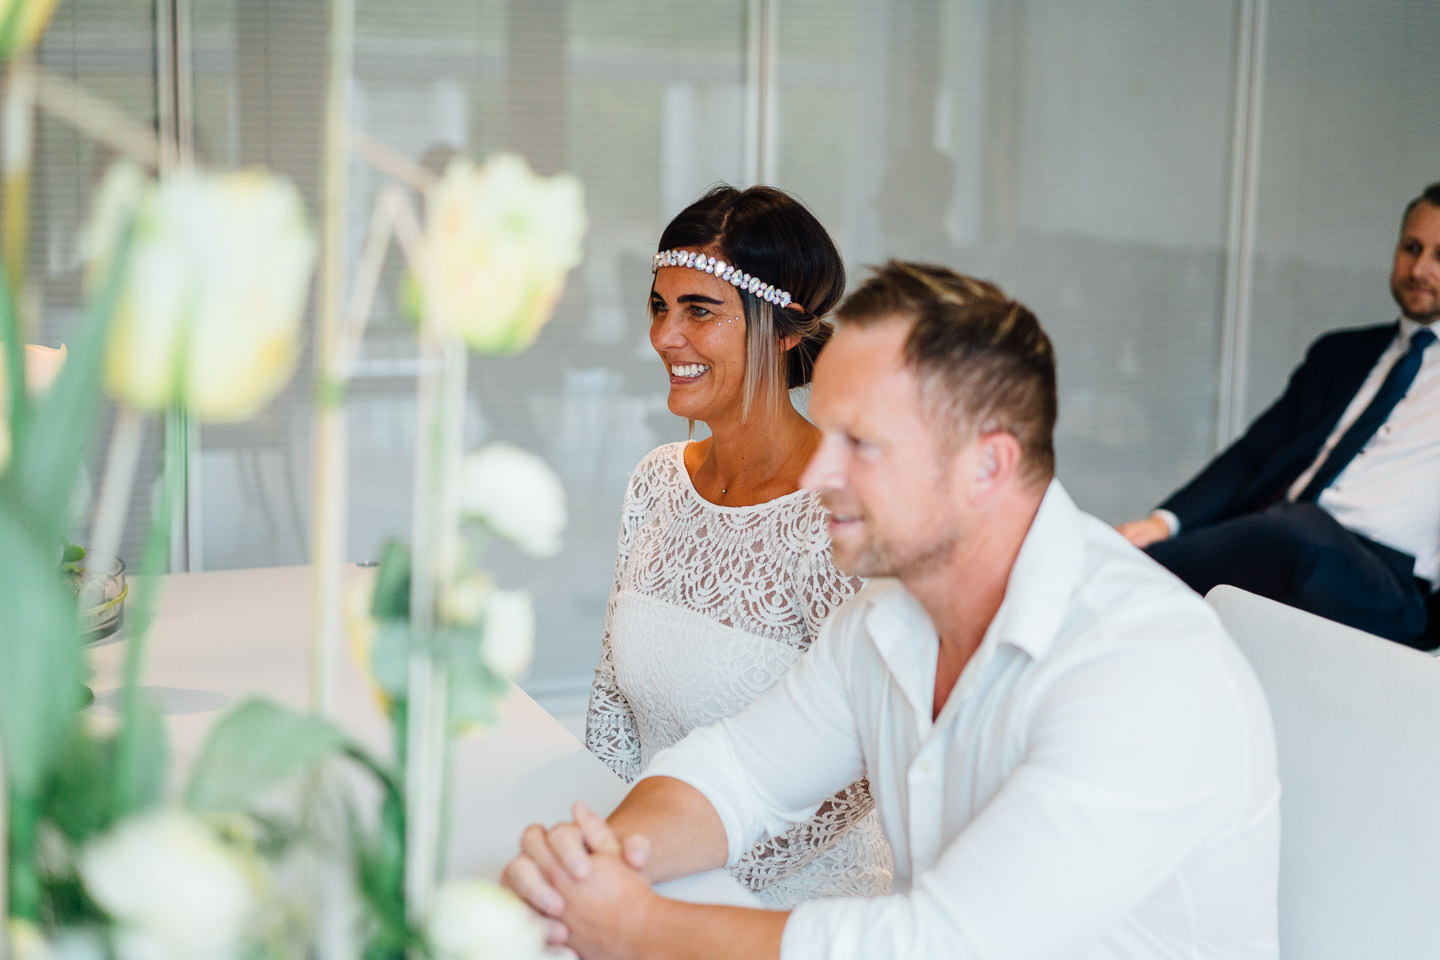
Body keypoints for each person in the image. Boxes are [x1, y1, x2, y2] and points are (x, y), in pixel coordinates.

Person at [506, 262, 1280, 960]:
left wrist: (636, 930)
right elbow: (738, 772)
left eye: (861, 443)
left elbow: (938, 947)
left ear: (988, 464)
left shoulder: (1143, 676)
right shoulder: (888, 612)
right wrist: (594, 858)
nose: (818, 474)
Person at [583, 185, 892, 907]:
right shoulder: (656, 482)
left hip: (794, 904)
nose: (665, 336)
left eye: (699, 310)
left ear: (785, 330)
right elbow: (609, 706)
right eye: (660, 307)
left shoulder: (845, 517)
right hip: (653, 871)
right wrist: (611, 849)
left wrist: (683, 884)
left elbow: (860, 778)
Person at [1118, 182, 1440, 647]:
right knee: (1281, 541)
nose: (1419, 269)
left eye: (1438, 255)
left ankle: (1130, 569)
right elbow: (1253, 454)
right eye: (1411, 248)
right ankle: (1125, 567)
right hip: (1279, 541)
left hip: (1386, 582)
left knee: (1300, 532)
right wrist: (1163, 523)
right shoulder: (1340, 354)